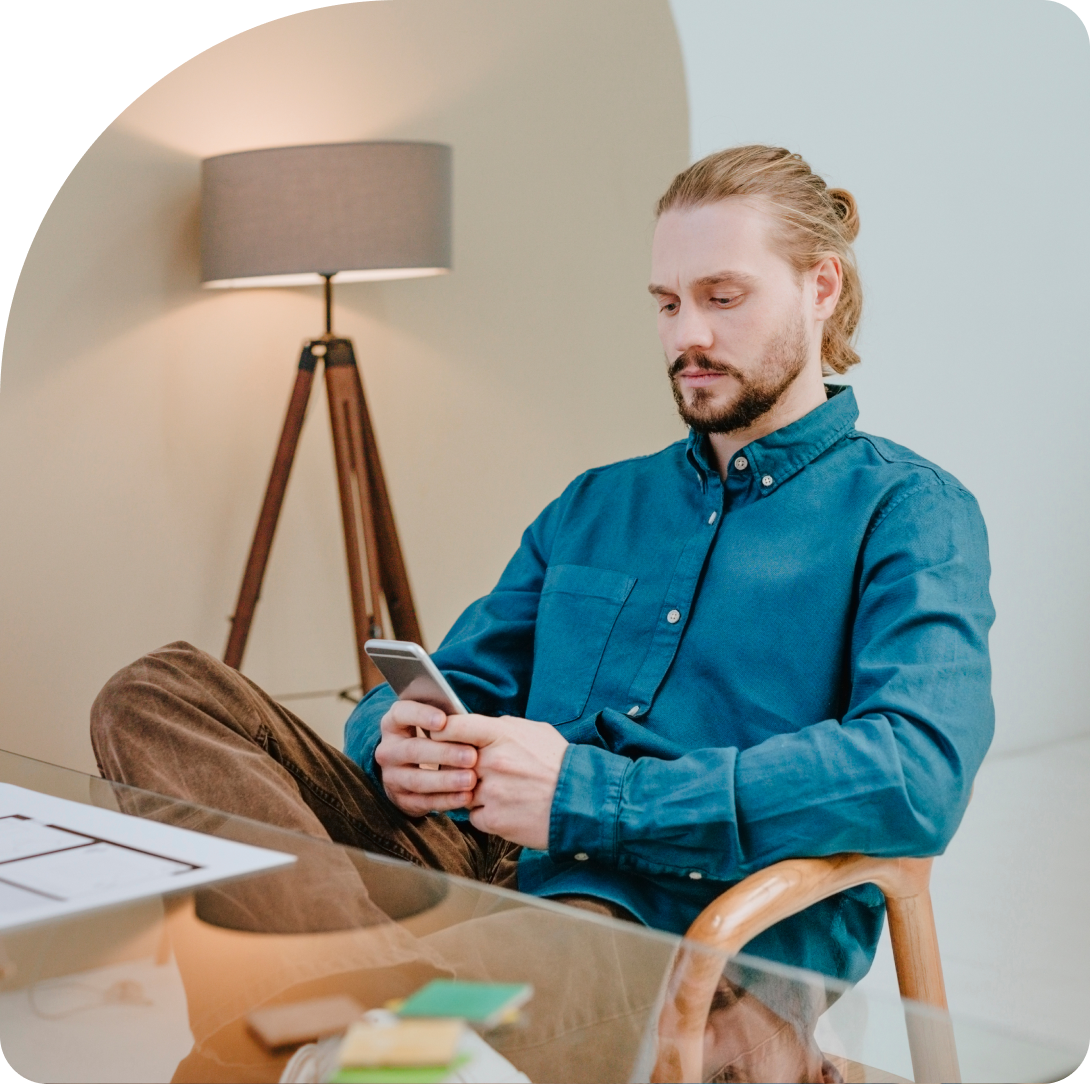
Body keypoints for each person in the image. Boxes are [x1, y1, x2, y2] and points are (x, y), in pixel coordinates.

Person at [92, 145, 994, 1083]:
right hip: (465, 859)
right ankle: (355, 1015)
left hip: (652, 921)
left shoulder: (910, 511)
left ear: (821, 287)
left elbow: (916, 771)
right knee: (157, 692)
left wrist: (586, 797)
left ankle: (309, 1027)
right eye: (666, 302)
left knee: (267, 1052)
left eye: (724, 298)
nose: (688, 334)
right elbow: (465, 678)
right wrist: (389, 740)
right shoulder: (594, 504)